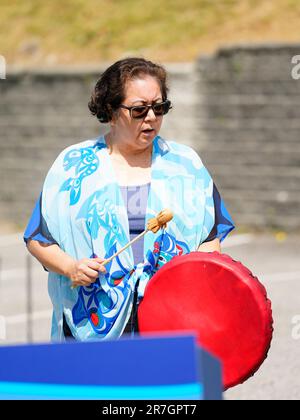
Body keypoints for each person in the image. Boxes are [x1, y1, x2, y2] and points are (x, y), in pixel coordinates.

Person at [24, 57, 235, 342]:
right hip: (94, 318)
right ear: (111, 111)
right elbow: (38, 238)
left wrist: (199, 281)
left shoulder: (186, 165)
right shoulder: (72, 166)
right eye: (139, 110)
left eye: (159, 108)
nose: (151, 117)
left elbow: (210, 239)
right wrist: (71, 267)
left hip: (170, 315)